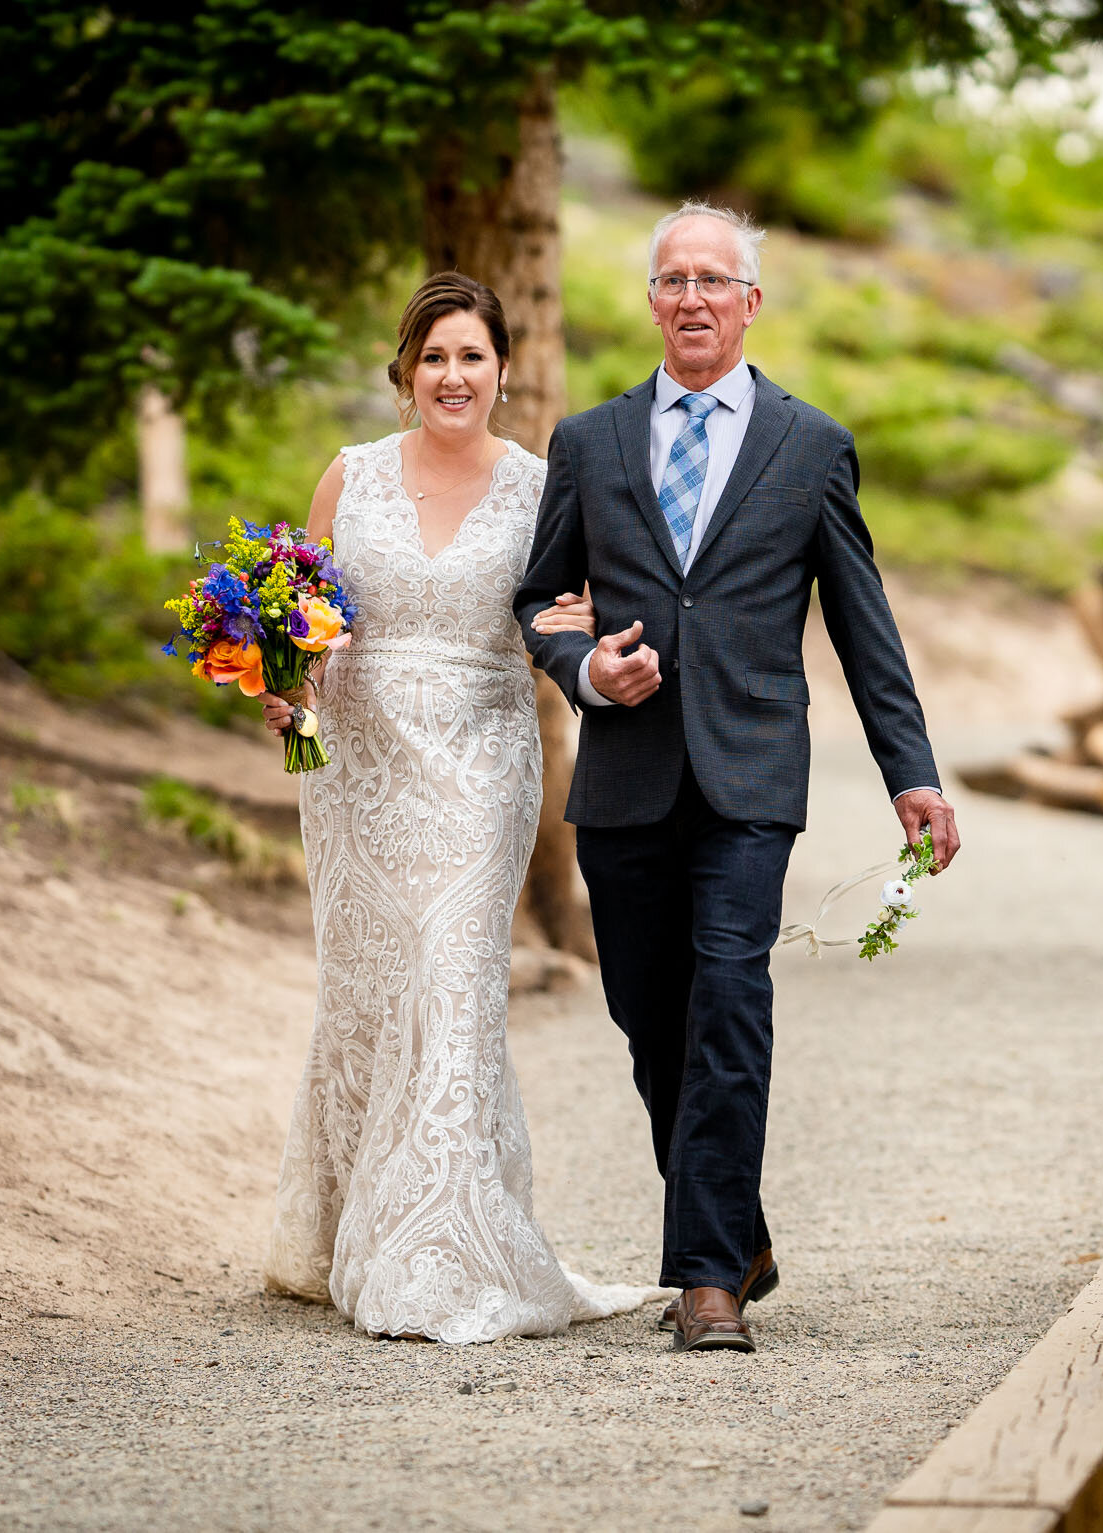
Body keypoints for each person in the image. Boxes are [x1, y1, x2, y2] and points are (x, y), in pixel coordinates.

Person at [514, 201, 962, 1354]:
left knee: (729, 1001)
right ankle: (740, 1229)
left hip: (752, 775)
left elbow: (865, 630)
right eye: (673, 280)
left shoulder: (810, 447)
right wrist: (580, 665)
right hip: (625, 775)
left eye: (715, 280)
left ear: (751, 302)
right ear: (651, 300)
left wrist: (910, 775)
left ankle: (707, 1279)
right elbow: (537, 598)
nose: (694, 298)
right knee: (644, 1014)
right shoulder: (589, 442)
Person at [260, 272, 665, 1343]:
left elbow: (558, 614)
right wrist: (283, 687)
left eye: (471, 356)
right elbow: (308, 616)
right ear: (405, 373)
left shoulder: (541, 488)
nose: (452, 375)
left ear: (501, 372)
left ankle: (438, 1246)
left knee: (450, 980)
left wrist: (585, 629)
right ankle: (345, 1222)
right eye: (433, 356)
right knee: (370, 986)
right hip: (356, 768)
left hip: (484, 760)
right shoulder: (346, 479)